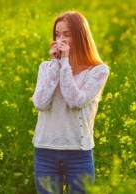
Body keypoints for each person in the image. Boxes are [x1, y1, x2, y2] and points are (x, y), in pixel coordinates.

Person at [31, 10, 110, 194]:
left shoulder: (98, 71)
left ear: (81, 36)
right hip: (45, 151)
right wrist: (56, 64)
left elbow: (75, 101)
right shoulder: (46, 67)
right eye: (57, 34)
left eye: (67, 34)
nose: (61, 39)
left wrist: (65, 62)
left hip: (78, 153)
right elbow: (40, 103)